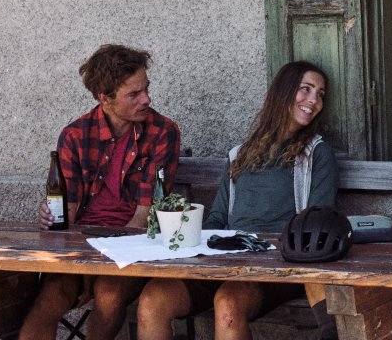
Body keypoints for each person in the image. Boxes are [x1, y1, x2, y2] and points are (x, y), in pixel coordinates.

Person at [135, 61, 338, 340]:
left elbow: (317, 221)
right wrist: (186, 229)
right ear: (283, 92)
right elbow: (219, 217)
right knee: (152, 300)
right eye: (305, 89)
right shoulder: (240, 153)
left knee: (228, 304)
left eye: (320, 94)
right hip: (225, 258)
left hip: (277, 265)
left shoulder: (316, 153)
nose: (314, 100)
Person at [20, 44, 181, 340]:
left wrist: (97, 264)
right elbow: (66, 211)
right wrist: (69, 250)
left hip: (131, 246)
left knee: (108, 290)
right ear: (104, 98)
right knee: (48, 299)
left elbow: (145, 216)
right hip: (81, 244)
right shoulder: (76, 135)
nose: (147, 99)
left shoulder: (162, 132)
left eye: (146, 88)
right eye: (134, 94)